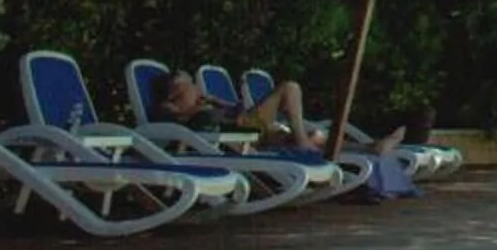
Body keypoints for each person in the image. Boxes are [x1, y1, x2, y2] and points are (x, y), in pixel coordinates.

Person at [154, 70, 401, 158]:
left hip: (245, 132)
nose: (197, 88)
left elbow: (231, 111)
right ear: (174, 92)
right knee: (289, 88)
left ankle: (371, 147)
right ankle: (304, 142)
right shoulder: (170, 107)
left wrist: (217, 102)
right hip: (238, 134)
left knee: (314, 137)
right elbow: (177, 123)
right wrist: (199, 107)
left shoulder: (199, 101)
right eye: (189, 85)